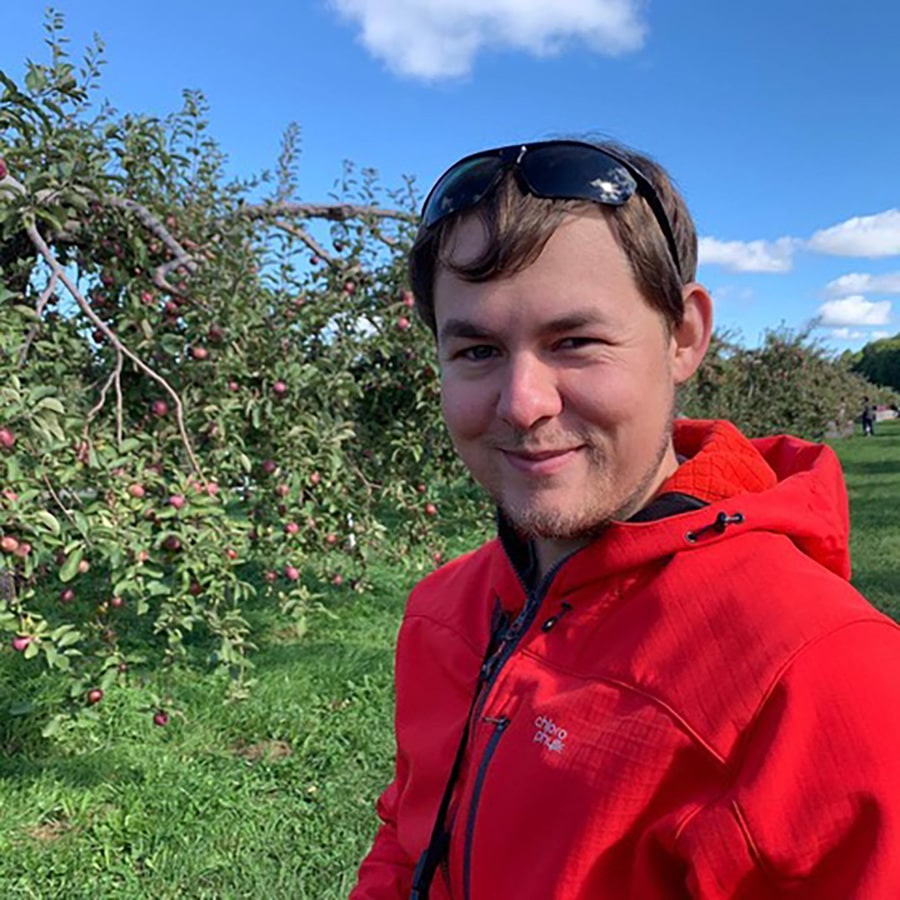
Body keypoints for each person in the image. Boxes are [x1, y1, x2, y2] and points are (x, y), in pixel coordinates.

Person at [349, 139, 900, 898]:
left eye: (574, 342)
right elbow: (408, 840)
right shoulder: (444, 614)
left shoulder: (820, 679)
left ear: (684, 337)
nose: (522, 402)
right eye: (476, 350)